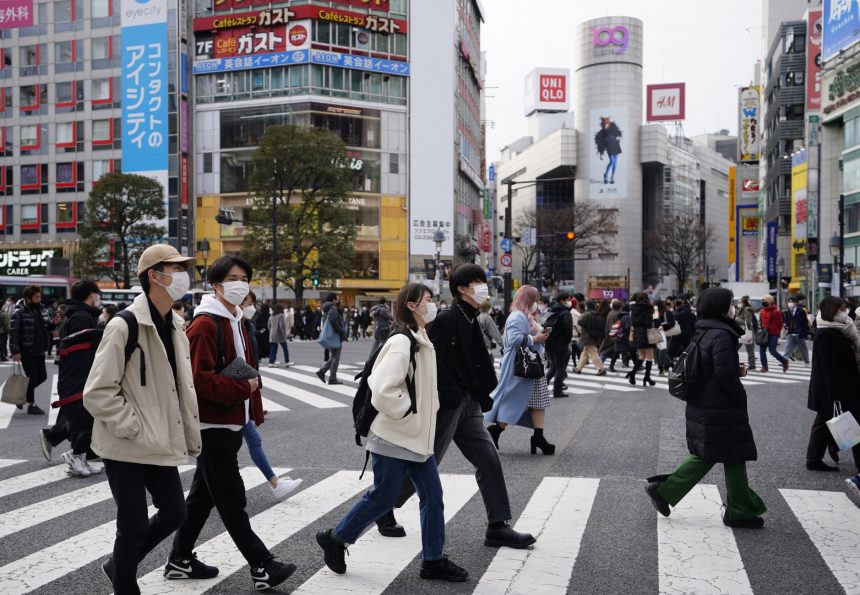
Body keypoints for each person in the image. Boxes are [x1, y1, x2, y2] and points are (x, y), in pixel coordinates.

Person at [375, 264, 536, 549]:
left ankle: (498, 526)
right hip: (448, 404)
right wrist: (451, 395)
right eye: (477, 282)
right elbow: (432, 361)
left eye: (484, 281)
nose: (483, 286)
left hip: (468, 404)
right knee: (426, 462)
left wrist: (476, 393)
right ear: (462, 289)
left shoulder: (472, 316)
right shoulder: (449, 318)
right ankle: (382, 506)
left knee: (488, 459)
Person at [316, 283, 469, 582]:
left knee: (433, 496)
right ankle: (336, 538)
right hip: (394, 435)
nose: (433, 304)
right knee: (383, 497)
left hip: (414, 437)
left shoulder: (420, 336)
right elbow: (383, 389)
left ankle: (433, 560)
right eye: (427, 299)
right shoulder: (402, 341)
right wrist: (409, 412)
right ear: (411, 306)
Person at [171, 255, 296, 591]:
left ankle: (178, 559)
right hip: (211, 424)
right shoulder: (206, 324)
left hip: (229, 421)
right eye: (234, 277)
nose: (241, 283)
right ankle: (262, 565)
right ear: (216, 285)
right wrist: (245, 388)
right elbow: (198, 379)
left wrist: (252, 410)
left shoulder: (235, 320)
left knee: (202, 498)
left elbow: (245, 367)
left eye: (245, 277)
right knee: (231, 497)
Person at [83, 245, 202, 594]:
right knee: (133, 524)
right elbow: (97, 391)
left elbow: (180, 386)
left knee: (175, 512)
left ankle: (118, 564)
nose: (184, 275)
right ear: (154, 275)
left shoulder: (177, 325)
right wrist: (131, 425)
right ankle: (124, 584)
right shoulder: (124, 325)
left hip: (159, 438)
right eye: (176, 269)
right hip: (126, 442)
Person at [644, 288, 766, 529]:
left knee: (729, 454)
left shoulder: (706, 329)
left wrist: (734, 368)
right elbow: (723, 373)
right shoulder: (722, 333)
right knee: (718, 454)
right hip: (720, 404)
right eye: (730, 305)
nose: (732, 308)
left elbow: (712, 365)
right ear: (721, 307)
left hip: (706, 401)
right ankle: (666, 490)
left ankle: (739, 509)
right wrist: (740, 395)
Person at [240, 292, 302, 497]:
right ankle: (272, 483)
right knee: (219, 455)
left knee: (250, 441)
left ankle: (274, 482)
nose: (253, 307)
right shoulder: (227, 326)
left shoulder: (243, 325)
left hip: (241, 393)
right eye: (250, 302)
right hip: (233, 395)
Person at [40, 280, 103, 476]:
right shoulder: (82, 317)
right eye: (96, 293)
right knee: (86, 415)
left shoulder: (77, 314)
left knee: (81, 415)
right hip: (81, 373)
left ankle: (78, 456)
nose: (98, 298)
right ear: (91, 294)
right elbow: (82, 349)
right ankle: (76, 455)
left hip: (77, 373)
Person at [485, 285, 555, 454]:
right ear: (527, 299)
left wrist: (539, 336)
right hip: (521, 365)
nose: (536, 303)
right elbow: (515, 340)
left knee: (538, 400)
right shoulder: (517, 316)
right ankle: (497, 430)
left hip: (529, 364)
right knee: (514, 399)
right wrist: (536, 338)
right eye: (534, 299)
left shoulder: (525, 316)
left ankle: (538, 436)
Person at [805, 296, 860, 473]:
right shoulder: (827, 333)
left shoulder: (841, 329)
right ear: (830, 310)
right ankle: (816, 457)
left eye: (844, 308)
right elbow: (828, 367)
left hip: (839, 385)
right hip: (831, 387)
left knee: (825, 421)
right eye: (839, 309)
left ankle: (819, 455)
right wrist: (835, 395)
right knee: (826, 420)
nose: (843, 311)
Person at [9, 285, 52, 415]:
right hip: (27, 349)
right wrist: (15, 351)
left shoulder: (41, 309)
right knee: (32, 377)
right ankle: (31, 404)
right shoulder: (19, 312)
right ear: (28, 298)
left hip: (40, 348)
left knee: (42, 376)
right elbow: (14, 332)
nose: (39, 299)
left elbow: (46, 326)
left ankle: (21, 396)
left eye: (40, 296)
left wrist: (54, 323)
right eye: (36, 297)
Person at [545, 292, 574, 397]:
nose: (569, 301)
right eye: (568, 299)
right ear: (562, 300)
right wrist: (567, 342)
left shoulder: (550, 310)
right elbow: (567, 331)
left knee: (553, 367)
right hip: (560, 344)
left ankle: (543, 387)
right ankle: (557, 391)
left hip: (549, 343)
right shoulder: (565, 313)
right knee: (560, 368)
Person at [316, 293, 348, 385]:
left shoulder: (326, 308)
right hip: (334, 335)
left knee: (334, 356)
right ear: (333, 299)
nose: (338, 299)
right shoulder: (333, 308)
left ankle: (322, 372)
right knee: (336, 357)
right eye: (337, 298)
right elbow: (333, 322)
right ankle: (332, 378)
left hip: (330, 335)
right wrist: (341, 331)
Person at [628, 292, 658, 386]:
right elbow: (648, 323)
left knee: (641, 356)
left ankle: (632, 374)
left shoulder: (633, 309)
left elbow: (633, 322)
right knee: (649, 357)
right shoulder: (648, 309)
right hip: (646, 334)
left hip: (637, 334)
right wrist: (654, 317)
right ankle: (646, 377)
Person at [574, 300, 607, 375]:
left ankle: (601, 369)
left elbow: (579, 321)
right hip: (595, 336)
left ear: (587, 306)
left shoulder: (587, 314)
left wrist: (582, 314)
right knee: (585, 353)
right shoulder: (597, 314)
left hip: (587, 337)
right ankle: (578, 368)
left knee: (593, 353)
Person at [759, 294, 789, 373]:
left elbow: (780, 323)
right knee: (762, 350)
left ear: (769, 301)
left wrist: (776, 332)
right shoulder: (762, 311)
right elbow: (761, 322)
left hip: (773, 334)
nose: (763, 302)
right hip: (764, 333)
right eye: (762, 301)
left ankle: (784, 361)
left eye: (764, 301)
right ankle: (764, 367)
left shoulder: (776, 312)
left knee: (772, 351)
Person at [782, 296, 810, 365]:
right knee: (788, 348)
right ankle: (784, 361)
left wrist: (807, 332)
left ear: (796, 303)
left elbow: (805, 322)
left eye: (792, 302)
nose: (790, 303)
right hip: (790, 332)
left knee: (803, 348)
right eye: (789, 302)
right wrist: (785, 324)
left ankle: (807, 361)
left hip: (799, 333)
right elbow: (786, 320)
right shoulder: (787, 311)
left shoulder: (801, 311)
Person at [735, 296, 758, 371]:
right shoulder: (740, 310)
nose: (738, 303)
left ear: (744, 303)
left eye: (740, 302)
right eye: (738, 302)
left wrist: (737, 319)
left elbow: (747, 322)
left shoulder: (746, 311)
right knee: (734, 348)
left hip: (747, 332)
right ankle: (734, 363)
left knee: (749, 349)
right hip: (740, 332)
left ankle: (752, 366)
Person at [603, 299, 623, 372]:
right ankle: (603, 363)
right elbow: (619, 324)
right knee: (610, 350)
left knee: (609, 350)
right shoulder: (618, 314)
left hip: (608, 332)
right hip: (615, 334)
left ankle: (607, 364)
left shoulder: (610, 312)